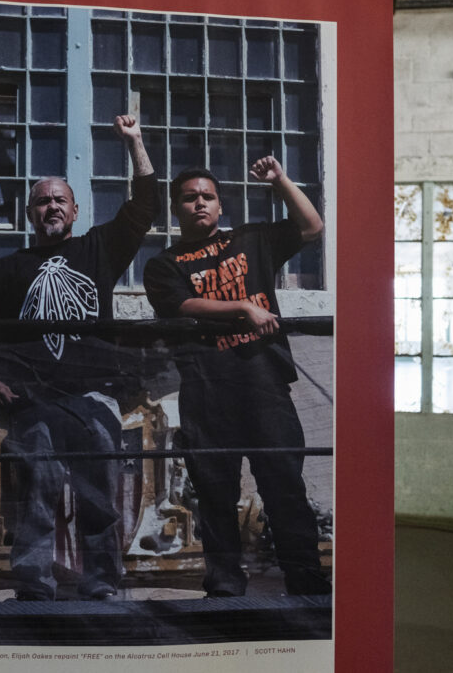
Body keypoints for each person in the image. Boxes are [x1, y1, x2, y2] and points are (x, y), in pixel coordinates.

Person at [0, 114, 157, 601]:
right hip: (34, 402)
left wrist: (134, 142)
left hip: (95, 398)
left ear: (75, 211)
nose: (50, 206)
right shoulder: (3, 272)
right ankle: (33, 588)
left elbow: (145, 206)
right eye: (41, 201)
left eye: (59, 200)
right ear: (29, 213)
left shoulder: (99, 248)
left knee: (101, 498)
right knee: (35, 495)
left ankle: (102, 585)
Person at [143, 156, 331, 597]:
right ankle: (226, 585)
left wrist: (280, 180)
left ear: (220, 206)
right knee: (215, 495)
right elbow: (183, 306)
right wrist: (243, 307)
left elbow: (312, 227)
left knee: (284, 486)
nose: (199, 204)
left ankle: (305, 581)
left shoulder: (251, 241)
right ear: (177, 208)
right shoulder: (164, 265)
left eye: (207, 196)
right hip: (206, 391)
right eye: (189, 198)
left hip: (264, 384)